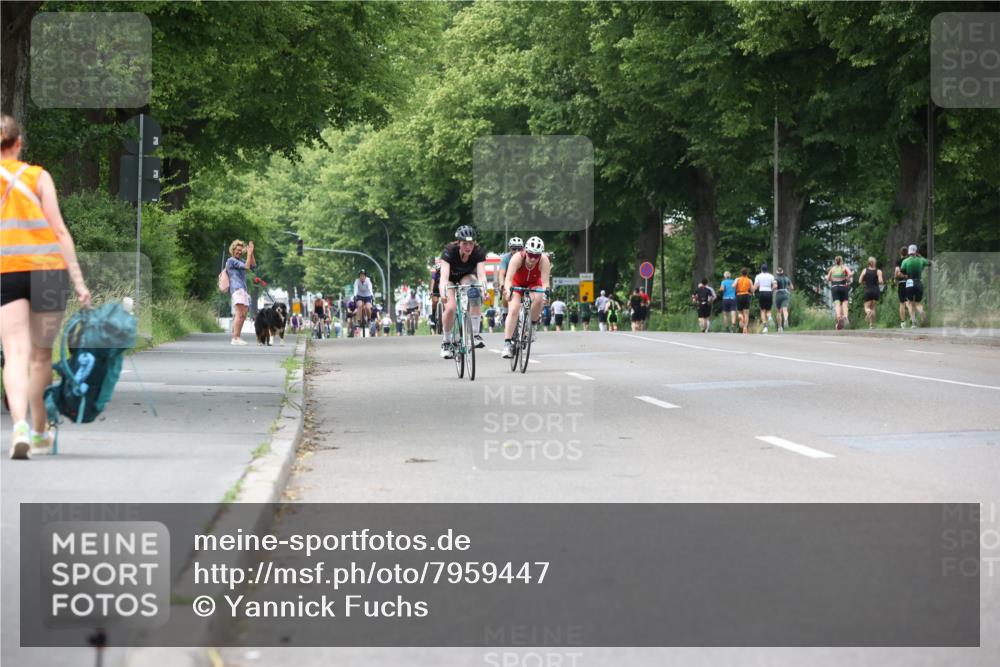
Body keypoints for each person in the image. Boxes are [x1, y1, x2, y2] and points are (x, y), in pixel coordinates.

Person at [2, 114, 92, 458]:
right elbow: (60, 231)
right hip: (48, 272)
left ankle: (21, 427)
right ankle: (40, 433)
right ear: (19, 143)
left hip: (6, 272)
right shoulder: (38, 177)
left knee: (15, 353)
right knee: (41, 357)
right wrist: (79, 282)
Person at [439, 225, 487, 358]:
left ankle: (475, 335)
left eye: (471, 243)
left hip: (466, 277)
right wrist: (443, 293)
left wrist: (484, 290)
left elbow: (481, 275)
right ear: (458, 243)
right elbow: (444, 277)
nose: (468, 247)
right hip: (450, 279)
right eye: (464, 243)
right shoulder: (449, 251)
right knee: (451, 308)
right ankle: (446, 341)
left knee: (475, 293)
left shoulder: (478, 252)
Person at [502, 236, 551, 358]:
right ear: (526, 251)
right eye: (530, 255)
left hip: (534, 283)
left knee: (539, 299)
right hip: (516, 283)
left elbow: (545, 283)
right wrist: (507, 290)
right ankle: (507, 343)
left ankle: (532, 325)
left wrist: (546, 294)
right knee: (513, 309)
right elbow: (508, 280)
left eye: (536, 256)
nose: (533, 258)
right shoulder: (517, 258)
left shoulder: (544, 260)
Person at [226, 239, 255, 344]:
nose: (239, 252)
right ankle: (235, 338)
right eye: (237, 250)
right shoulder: (231, 260)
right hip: (237, 288)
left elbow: (252, 265)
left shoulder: (241, 260)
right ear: (233, 250)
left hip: (243, 289)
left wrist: (251, 252)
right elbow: (246, 267)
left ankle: (237, 336)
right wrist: (249, 254)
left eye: (240, 250)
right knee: (240, 313)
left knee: (243, 314)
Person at [495, 236, 524, 330]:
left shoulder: (525, 257)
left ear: (523, 249)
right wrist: (502, 284)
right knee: (505, 292)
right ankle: (505, 311)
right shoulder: (506, 258)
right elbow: (501, 273)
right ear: (510, 248)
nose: (516, 251)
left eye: (519, 249)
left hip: (522, 280)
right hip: (510, 280)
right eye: (514, 249)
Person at [901, 244, 930, 328]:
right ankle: (921, 312)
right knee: (917, 303)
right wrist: (921, 256)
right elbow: (929, 263)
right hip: (918, 282)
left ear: (909, 252)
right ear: (916, 251)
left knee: (910, 303)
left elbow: (902, 271)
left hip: (909, 282)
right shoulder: (921, 260)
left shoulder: (905, 261)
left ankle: (913, 322)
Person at [826, 255, 853, 330]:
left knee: (837, 304)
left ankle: (839, 318)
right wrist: (846, 278)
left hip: (834, 287)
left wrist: (833, 279)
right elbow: (850, 274)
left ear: (835, 261)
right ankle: (845, 316)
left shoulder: (832, 269)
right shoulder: (844, 267)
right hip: (843, 287)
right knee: (845, 302)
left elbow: (827, 279)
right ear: (841, 261)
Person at [858, 257, 884, 329]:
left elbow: (859, 281)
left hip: (868, 290)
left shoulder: (865, 270)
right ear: (875, 262)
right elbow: (881, 281)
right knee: (873, 308)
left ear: (868, 263)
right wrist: (880, 281)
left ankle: (868, 312)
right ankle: (871, 325)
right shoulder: (878, 271)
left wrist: (865, 282)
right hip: (875, 290)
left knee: (867, 307)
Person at [753, 263, 776, 333]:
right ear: (767, 269)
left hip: (762, 293)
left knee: (762, 310)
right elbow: (775, 286)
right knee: (768, 310)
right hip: (769, 293)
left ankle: (765, 327)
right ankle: (770, 317)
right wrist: (771, 290)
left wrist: (753, 291)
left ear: (761, 269)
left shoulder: (758, 276)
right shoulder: (771, 276)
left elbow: (755, 286)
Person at [773, 267, 794, 333]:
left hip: (779, 294)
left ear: (777, 273)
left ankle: (780, 327)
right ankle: (786, 319)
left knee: (778, 311)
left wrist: (772, 289)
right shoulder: (787, 278)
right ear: (782, 272)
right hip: (786, 294)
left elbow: (775, 286)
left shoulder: (776, 279)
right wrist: (787, 289)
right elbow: (792, 287)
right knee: (785, 309)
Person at [893, 246, 909, 329]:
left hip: (902, 283)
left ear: (900, 253)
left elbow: (897, 272)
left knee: (902, 303)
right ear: (907, 253)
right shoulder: (909, 260)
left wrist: (895, 278)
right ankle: (913, 319)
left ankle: (903, 322)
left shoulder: (899, 261)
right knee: (909, 302)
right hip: (910, 282)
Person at [734, 268, 753, 334]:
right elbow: (752, 289)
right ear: (747, 273)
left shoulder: (737, 279)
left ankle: (741, 317)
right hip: (746, 295)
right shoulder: (749, 280)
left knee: (740, 312)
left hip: (739, 295)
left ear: (741, 273)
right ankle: (745, 327)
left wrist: (736, 285)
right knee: (746, 313)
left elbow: (733, 286)